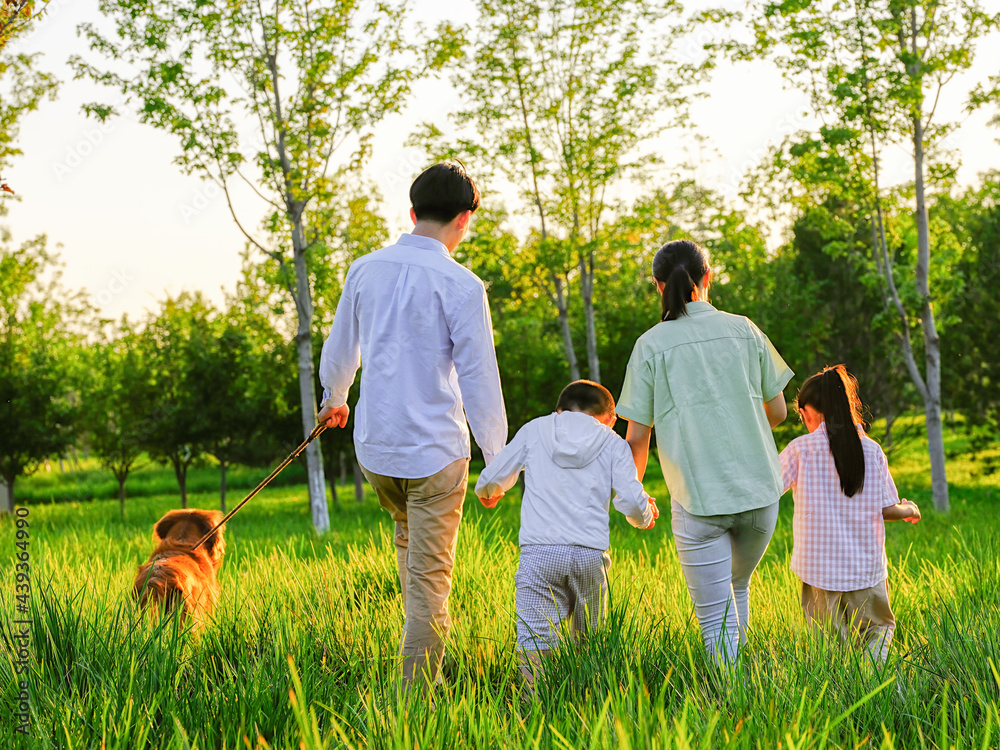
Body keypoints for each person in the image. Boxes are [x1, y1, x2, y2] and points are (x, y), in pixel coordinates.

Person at [317, 163, 508, 691]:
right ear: (465, 219)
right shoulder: (463, 285)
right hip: (436, 457)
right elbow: (479, 377)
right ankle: (417, 701)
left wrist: (335, 398)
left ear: (411, 212)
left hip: (376, 452)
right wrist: (500, 461)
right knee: (430, 580)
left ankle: (424, 665)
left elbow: (339, 349)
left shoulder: (364, 269)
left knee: (411, 547)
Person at [617, 239, 793, 665]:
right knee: (738, 586)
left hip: (699, 500)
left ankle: (733, 707)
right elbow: (779, 411)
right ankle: (749, 698)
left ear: (659, 286)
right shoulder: (745, 329)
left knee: (716, 621)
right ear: (707, 277)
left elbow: (637, 438)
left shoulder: (650, 345)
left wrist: (631, 497)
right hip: (760, 495)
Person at [475, 380, 658, 692]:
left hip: (539, 554)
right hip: (590, 555)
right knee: (590, 637)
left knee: (534, 635)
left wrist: (489, 491)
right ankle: (588, 697)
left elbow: (494, 475)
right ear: (610, 418)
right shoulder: (613, 442)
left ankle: (537, 703)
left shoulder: (536, 429)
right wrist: (645, 516)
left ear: (557, 411)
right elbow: (630, 497)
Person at [780, 365, 920, 663]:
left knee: (829, 651)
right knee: (877, 633)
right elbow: (888, 510)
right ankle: (876, 690)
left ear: (806, 411)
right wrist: (910, 508)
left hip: (819, 574)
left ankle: (838, 702)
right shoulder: (871, 451)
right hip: (866, 573)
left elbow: (764, 489)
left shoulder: (799, 451)